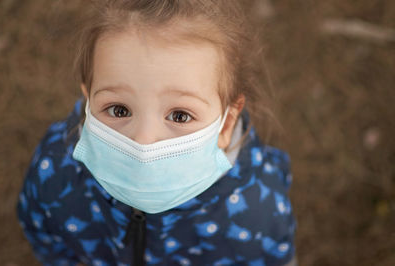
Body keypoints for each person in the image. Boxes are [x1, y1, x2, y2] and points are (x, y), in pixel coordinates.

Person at [17, 1, 296, 265]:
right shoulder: (54, 172)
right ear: (89, 100)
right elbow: (44, 234)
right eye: (119, 110)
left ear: (226, 123)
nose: (143, 141)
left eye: (179, 116)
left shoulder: (258, 213)